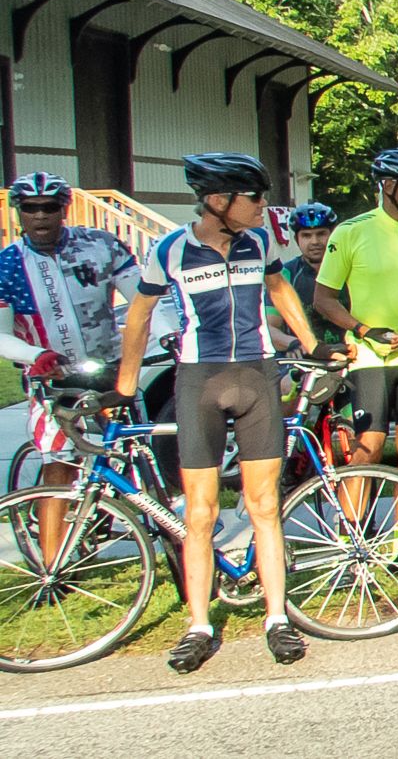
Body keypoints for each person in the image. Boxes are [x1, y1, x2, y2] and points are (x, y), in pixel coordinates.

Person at [114, 153, 335, 672]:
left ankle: (276, 618)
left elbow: (279, 289)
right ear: (219, 201)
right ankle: (198, 625)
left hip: (256, 375)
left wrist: (311, 344)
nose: (264, 206)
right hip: (199, 381)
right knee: (200, 513)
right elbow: (140, 317)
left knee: (263, 505)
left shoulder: (259, 242)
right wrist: (125, 387)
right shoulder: (169, 250)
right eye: (255, 197)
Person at [0, 172, 141, 581]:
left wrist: (164, 332)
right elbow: (1, 335)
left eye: (50, 207)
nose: (40, 216)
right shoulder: (9, 264)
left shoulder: (100, 246)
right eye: (31, 208)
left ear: (64, 209)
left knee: (135, 447)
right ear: (20, 212)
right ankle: (53, 566)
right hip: (52, 377)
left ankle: (153, 523)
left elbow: (143, 298)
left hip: (110, 369)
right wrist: (35, 355)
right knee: (58, 461)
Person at [314, 147, 398, 488]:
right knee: (368, 450)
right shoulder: (350, 232)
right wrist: (365, 330)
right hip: (370, 356)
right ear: (388, 185)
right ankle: (352, 535)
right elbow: (323, 300)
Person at [268, 203, 345, 352]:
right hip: (305, 357)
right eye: (306, 236)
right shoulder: (285, 274)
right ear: (297, 239)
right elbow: (271, 327)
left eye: (321, 234)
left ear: (333, 234)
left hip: (353, 353)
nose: (314, 241)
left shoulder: (351, 269)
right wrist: (297, 345)